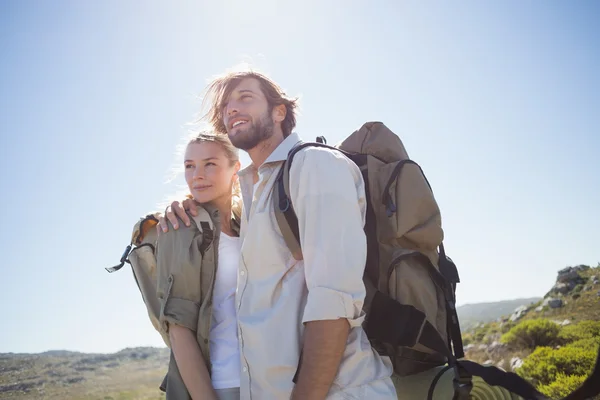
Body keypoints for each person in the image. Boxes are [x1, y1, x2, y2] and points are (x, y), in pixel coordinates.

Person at [160, 70, 398, 399]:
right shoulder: (257, 196)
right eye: (226, 105)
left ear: (279, 112)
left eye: (245, 97)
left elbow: (333, 301)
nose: (231, 109)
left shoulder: (313, 165)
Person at [157, 131, 243, 400]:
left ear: (235, 170)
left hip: (269, 380)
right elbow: (179, 329)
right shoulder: (179, 229)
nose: (198, 175)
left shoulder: (249, 225)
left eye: (210, 164)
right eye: (189, 166)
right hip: (223, 384)